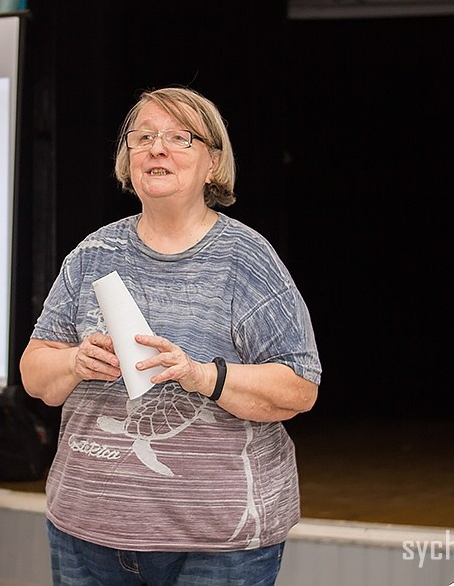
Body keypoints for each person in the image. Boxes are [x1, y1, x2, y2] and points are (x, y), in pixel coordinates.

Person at [20, 86, 321, 586]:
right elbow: (35, 376)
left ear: (213, 164)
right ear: (128, 159)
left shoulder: (246, 260)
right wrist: (75, 362)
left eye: (180, 137)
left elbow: (299, 389)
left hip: (218, 544)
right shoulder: (92, 253)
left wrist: (201, 375)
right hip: (86, 533)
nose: (157, 148)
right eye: (143, 137)